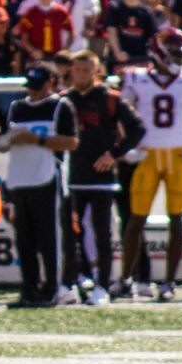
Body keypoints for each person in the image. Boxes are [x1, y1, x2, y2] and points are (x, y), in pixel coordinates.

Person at [117, 29, 182, 301]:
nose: (178, 59)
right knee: (135, 219)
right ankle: (126, 278)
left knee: (176, 220)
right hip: (147, 154)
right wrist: (127, 148)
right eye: (174, 52)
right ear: (159, 51)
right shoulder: (135, 77)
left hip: (177, 156)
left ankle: (169, 282)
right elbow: (121, 116)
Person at [62, 50, 145, 306]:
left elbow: (137, 129)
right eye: (76, 69)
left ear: (96, 70)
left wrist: (114, 154)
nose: (80, 74)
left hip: (101, 177)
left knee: (102, 234)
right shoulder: (64, 100)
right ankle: (74, 281)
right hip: (70, 176)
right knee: (70, 234)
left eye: (86, 69)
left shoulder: (109, 98)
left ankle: (103, 285)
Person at [0, 63, 78, 307]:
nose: (32, 92)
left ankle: (53, 289)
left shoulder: (60, 106)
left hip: (46, 178)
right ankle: (29, 290)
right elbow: (4, 141)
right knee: (25, 241)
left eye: (37, 86)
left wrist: (37, 139)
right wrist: (7, 141)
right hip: (20, 179)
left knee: (49, 239)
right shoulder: (17, 107)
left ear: (51, 82)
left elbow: (72, 142)